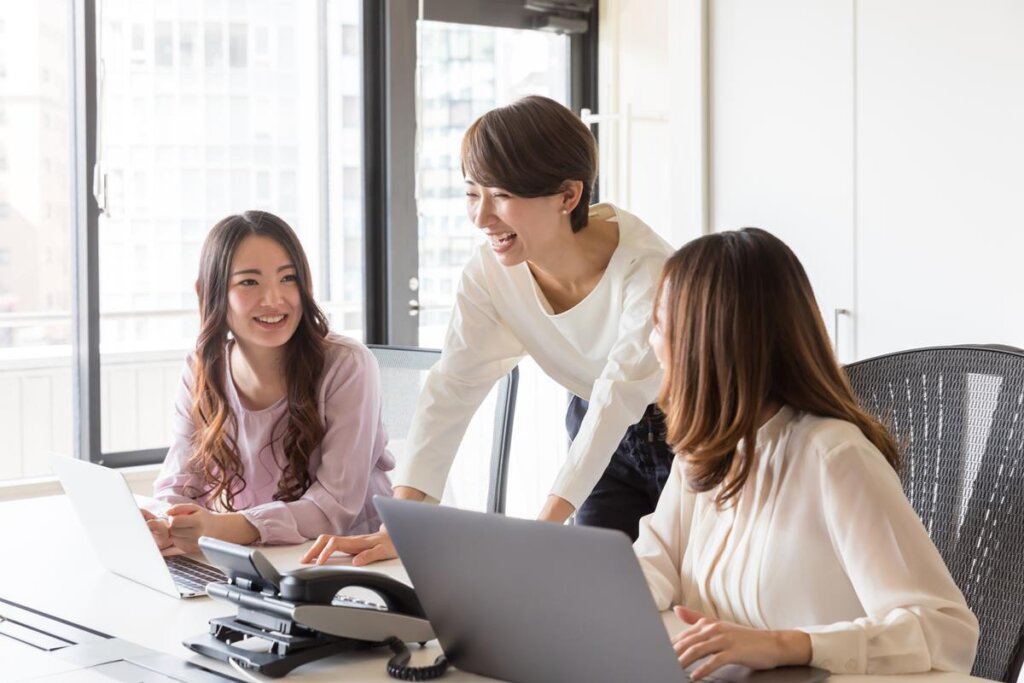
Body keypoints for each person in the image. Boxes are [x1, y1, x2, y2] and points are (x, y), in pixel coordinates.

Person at [302, 95, 675, 567]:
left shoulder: (650, 270)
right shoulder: (491, 273)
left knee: (689, 594)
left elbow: (618, 394)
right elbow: (452, 387)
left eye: (501, 195)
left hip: (687, 429)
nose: (481, 217)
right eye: (472, 193)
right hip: (595, 426)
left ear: (568, 195)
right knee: (601, 581)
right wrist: (401, 524)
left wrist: (543, 529)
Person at [636, 228, 978, 678]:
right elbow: (654, 566)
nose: (652, 342)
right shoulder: (705, 450)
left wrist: (786, 645)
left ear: (707, 342)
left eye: (661, 324)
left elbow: (944, 632)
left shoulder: (835, 459)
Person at [145, 210, 393, 554]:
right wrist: (165, 521)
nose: (274, 299)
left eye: (288, 278)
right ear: (208, 291)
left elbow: (333, 506)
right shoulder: (204, 367)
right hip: (260, 557)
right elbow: (178, 482)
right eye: (249, 282)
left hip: (345, 561)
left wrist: (222, 528)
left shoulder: (346, 364)